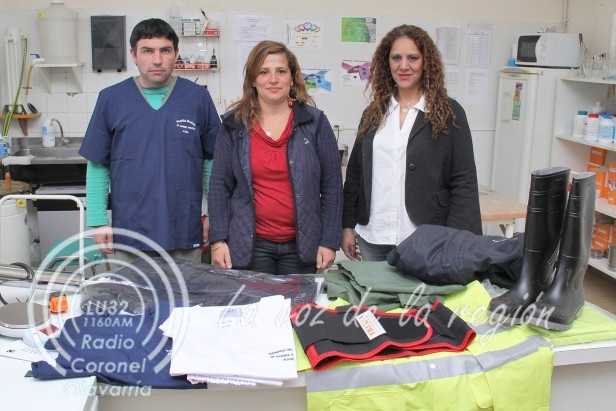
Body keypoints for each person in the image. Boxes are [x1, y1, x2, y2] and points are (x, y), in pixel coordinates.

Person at [79, 18, 220, 262]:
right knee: (131, 298)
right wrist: (99, 221)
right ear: (134, 55)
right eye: (147, 51)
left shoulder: (197, 99)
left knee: (186, 298)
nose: (157, 60)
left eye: (165, 50)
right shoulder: (111, 99)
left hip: (184, 228)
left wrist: (213, 218)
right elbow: (98, 164)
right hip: (130, 230)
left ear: (176, 53)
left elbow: (212, 163)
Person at [341, 24, 482, 262]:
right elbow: (355, 175)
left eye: (412, 58)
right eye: (396, 58)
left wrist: (458, 240)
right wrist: (347, 225)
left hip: (426, 238)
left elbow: (463, 180)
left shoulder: (449, 112)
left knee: (423, 301)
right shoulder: (374, 113)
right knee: (375, 299)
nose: (403, 66)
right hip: (375, 235)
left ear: (426, 62)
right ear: (387, 63)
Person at [208, 40, 342, 275]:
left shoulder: (315, 123)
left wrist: (329, 241)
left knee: (298, 311)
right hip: (250, 246)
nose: (273, 79)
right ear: (252, 79)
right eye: (263, 72)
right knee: (255, 310)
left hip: (302, 247)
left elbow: (332, 185)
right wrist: (218, 241)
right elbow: (219, 185)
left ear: (292, 78)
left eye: (281, 71)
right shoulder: (233, 125)